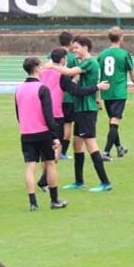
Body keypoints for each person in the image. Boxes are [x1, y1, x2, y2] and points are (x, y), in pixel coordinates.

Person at [35, 47, 110, 192]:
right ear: (63, 59)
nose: (74, 51)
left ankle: (103, 182)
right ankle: (78, 181)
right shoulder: (62, 74)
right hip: (66, 112)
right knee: (73, 145)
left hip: (76, 111)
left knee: (84, 144)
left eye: (76, 47)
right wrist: (97, 87)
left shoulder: (43, 72)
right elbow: (76, 90)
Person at [16, 57, 67, 211]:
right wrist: (54, 136)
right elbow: (48, 115)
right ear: (37, 68)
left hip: (26, 133)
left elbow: (18, 114)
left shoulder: (19, 89)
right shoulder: (42, 89)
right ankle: (54, 200)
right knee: (50, 164)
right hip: (43, 133)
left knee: (29, 167)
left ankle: (33, 203)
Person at [96, 29, 134, 161]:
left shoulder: (102, 54)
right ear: (121, 38)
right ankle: (105, 152)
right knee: (115, 122)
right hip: (119, 92)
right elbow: (132, 74)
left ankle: (120, 148)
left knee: (112, 122)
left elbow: (98, 74)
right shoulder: (124, 54)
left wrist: (97, 95)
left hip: (106, 92)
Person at [55, 32, 77, 159]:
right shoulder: (73, 57)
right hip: (68, 96)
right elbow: (76, 74)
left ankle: (54, 150)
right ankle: (62, 152)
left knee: (56, 123)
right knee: (68, 124)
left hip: (55, 96)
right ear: (71, 42)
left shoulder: (52, 55)